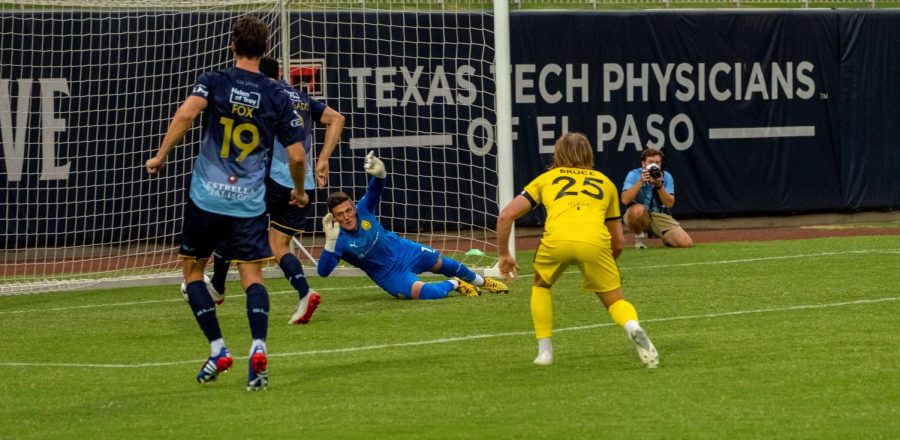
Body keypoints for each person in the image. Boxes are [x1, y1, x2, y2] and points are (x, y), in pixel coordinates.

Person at [146, 16, 309, 391]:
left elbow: (187, 114)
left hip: (207, 196)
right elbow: (297, 156)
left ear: (232, 45)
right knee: (252, 277)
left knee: (192, 273)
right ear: (266, 50)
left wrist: (161, 156)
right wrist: (298, 191)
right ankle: (258, 348)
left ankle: (218, 348)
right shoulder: (277, 95)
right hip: (248, 204)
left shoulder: (215, 80)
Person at [496, 132, 659, 368]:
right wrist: (600, 266)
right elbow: (619, 242)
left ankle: (544, 353)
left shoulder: (547, 178)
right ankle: (632, 326)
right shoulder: (605, 182)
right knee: (614, 301)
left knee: (541, 285)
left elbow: (505, 216)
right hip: (595, 242)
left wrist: (503, 254)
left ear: (558, 153)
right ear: (589, 154)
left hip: (556, 240)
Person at [206, 55, 346, 326]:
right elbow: (336, 119)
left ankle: (217, 288)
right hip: (302, 184)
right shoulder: (300, 97)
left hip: (271, 179)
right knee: (279, 245)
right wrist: (324, 158)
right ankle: (305, 294)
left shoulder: (261, 94)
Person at [317, 151, 510, 300]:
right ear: (334, 219)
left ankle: (484, 282)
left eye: (349, 210)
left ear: (354, 207)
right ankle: (454, 284)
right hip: (389, 275)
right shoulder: (339, 240)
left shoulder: (364, 209)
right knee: (424, 293)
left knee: (442, 263)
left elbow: (375, 190)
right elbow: (323, 272)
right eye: (340, 215)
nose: (347, 217)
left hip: (402, 249)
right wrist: (330, 242)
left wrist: (380, 174)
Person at [621, 148, 693, 249]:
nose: (654, 165)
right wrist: (640, 182)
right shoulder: (634, 174)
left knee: (685, 243)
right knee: (638, 211)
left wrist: (659, 185)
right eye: (650, 162)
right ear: (643, 163)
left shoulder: (666, 177)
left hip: (659, 214)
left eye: (657, 162)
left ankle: (664, 236)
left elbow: (669, 203)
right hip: (638, 214)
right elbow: (625, 200)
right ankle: (639, 239)